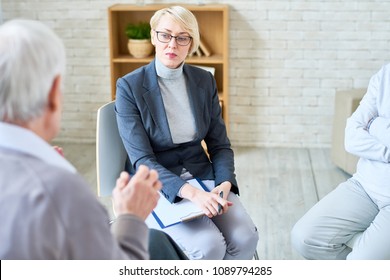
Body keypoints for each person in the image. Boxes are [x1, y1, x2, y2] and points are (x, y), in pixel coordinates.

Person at [0, 19, 187, 260]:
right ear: (54, 93)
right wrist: (130, 217)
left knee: (157, 239)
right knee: (157, 242)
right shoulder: (61, 190)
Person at [115, 6, 259, 260]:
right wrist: (194, 195)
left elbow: (220, 145)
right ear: (153, 37)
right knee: (209, 247)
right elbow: (142, 160)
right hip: (156, 182)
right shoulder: (129, 86)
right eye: (165, 35)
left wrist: (224, 183)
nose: (173, 44)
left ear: (191, 43)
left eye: (182, 37)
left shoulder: (204, 81)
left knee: (246, 237)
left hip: (201, 174)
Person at [291, 63, 390, 260]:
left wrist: (376, 126)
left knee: (360, 261)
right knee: (304, 238)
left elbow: (365, 127)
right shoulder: (386, 74)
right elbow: (351, 136)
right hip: (364, 186)